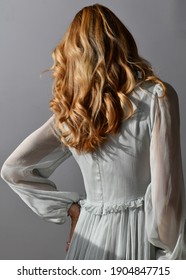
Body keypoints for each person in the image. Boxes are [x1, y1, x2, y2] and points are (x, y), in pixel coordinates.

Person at [1, 4, 186, 260]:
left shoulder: (73, 111)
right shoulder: (157, 97)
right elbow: (166, 200)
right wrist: (172, 257)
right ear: (123, 42)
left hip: (86, 240)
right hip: (136, 238)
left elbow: (13, 169)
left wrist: (71, 209)